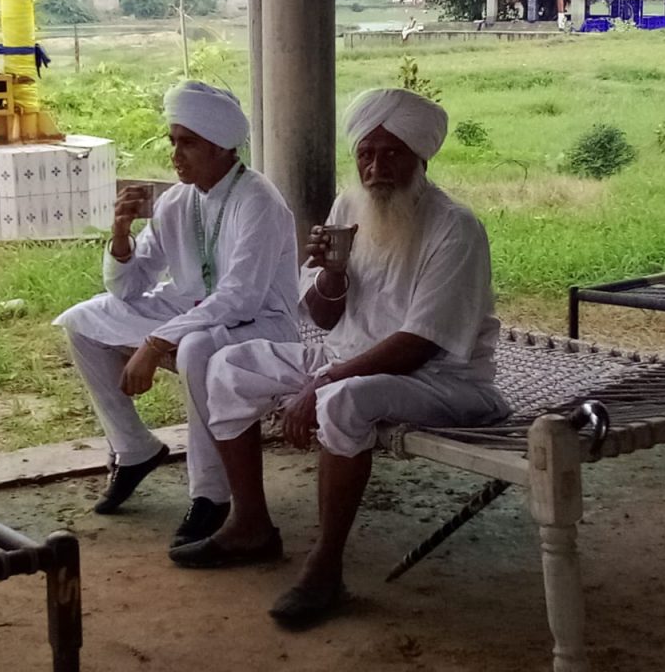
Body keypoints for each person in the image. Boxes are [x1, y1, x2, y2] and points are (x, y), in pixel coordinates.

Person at [169, 88, 510, 629]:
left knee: (343, 399)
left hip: (443, 380)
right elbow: (324, 318)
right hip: (345, 356)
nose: (376, 168)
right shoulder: (350, 207)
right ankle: (250, 525)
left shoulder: (455, 227)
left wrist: (322, 381)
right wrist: (331, 274)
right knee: (228, 367)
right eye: (366, 154)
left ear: (421, 157)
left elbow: (419, 344)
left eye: (392, 154)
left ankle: (326, 566)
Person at [53, 80, 300, 548]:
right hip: (192, 310)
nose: (175, 155)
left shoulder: (259, 201)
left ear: (220, 145)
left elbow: (241, 297)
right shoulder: (178, 201)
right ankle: (134, 449)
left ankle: (211, 494)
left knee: (195, 348)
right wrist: (121, 237)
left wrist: (155, 342)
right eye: (173, 141)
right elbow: (128, 287)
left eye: (187, 143)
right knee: (84, 321)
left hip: (262, 324)